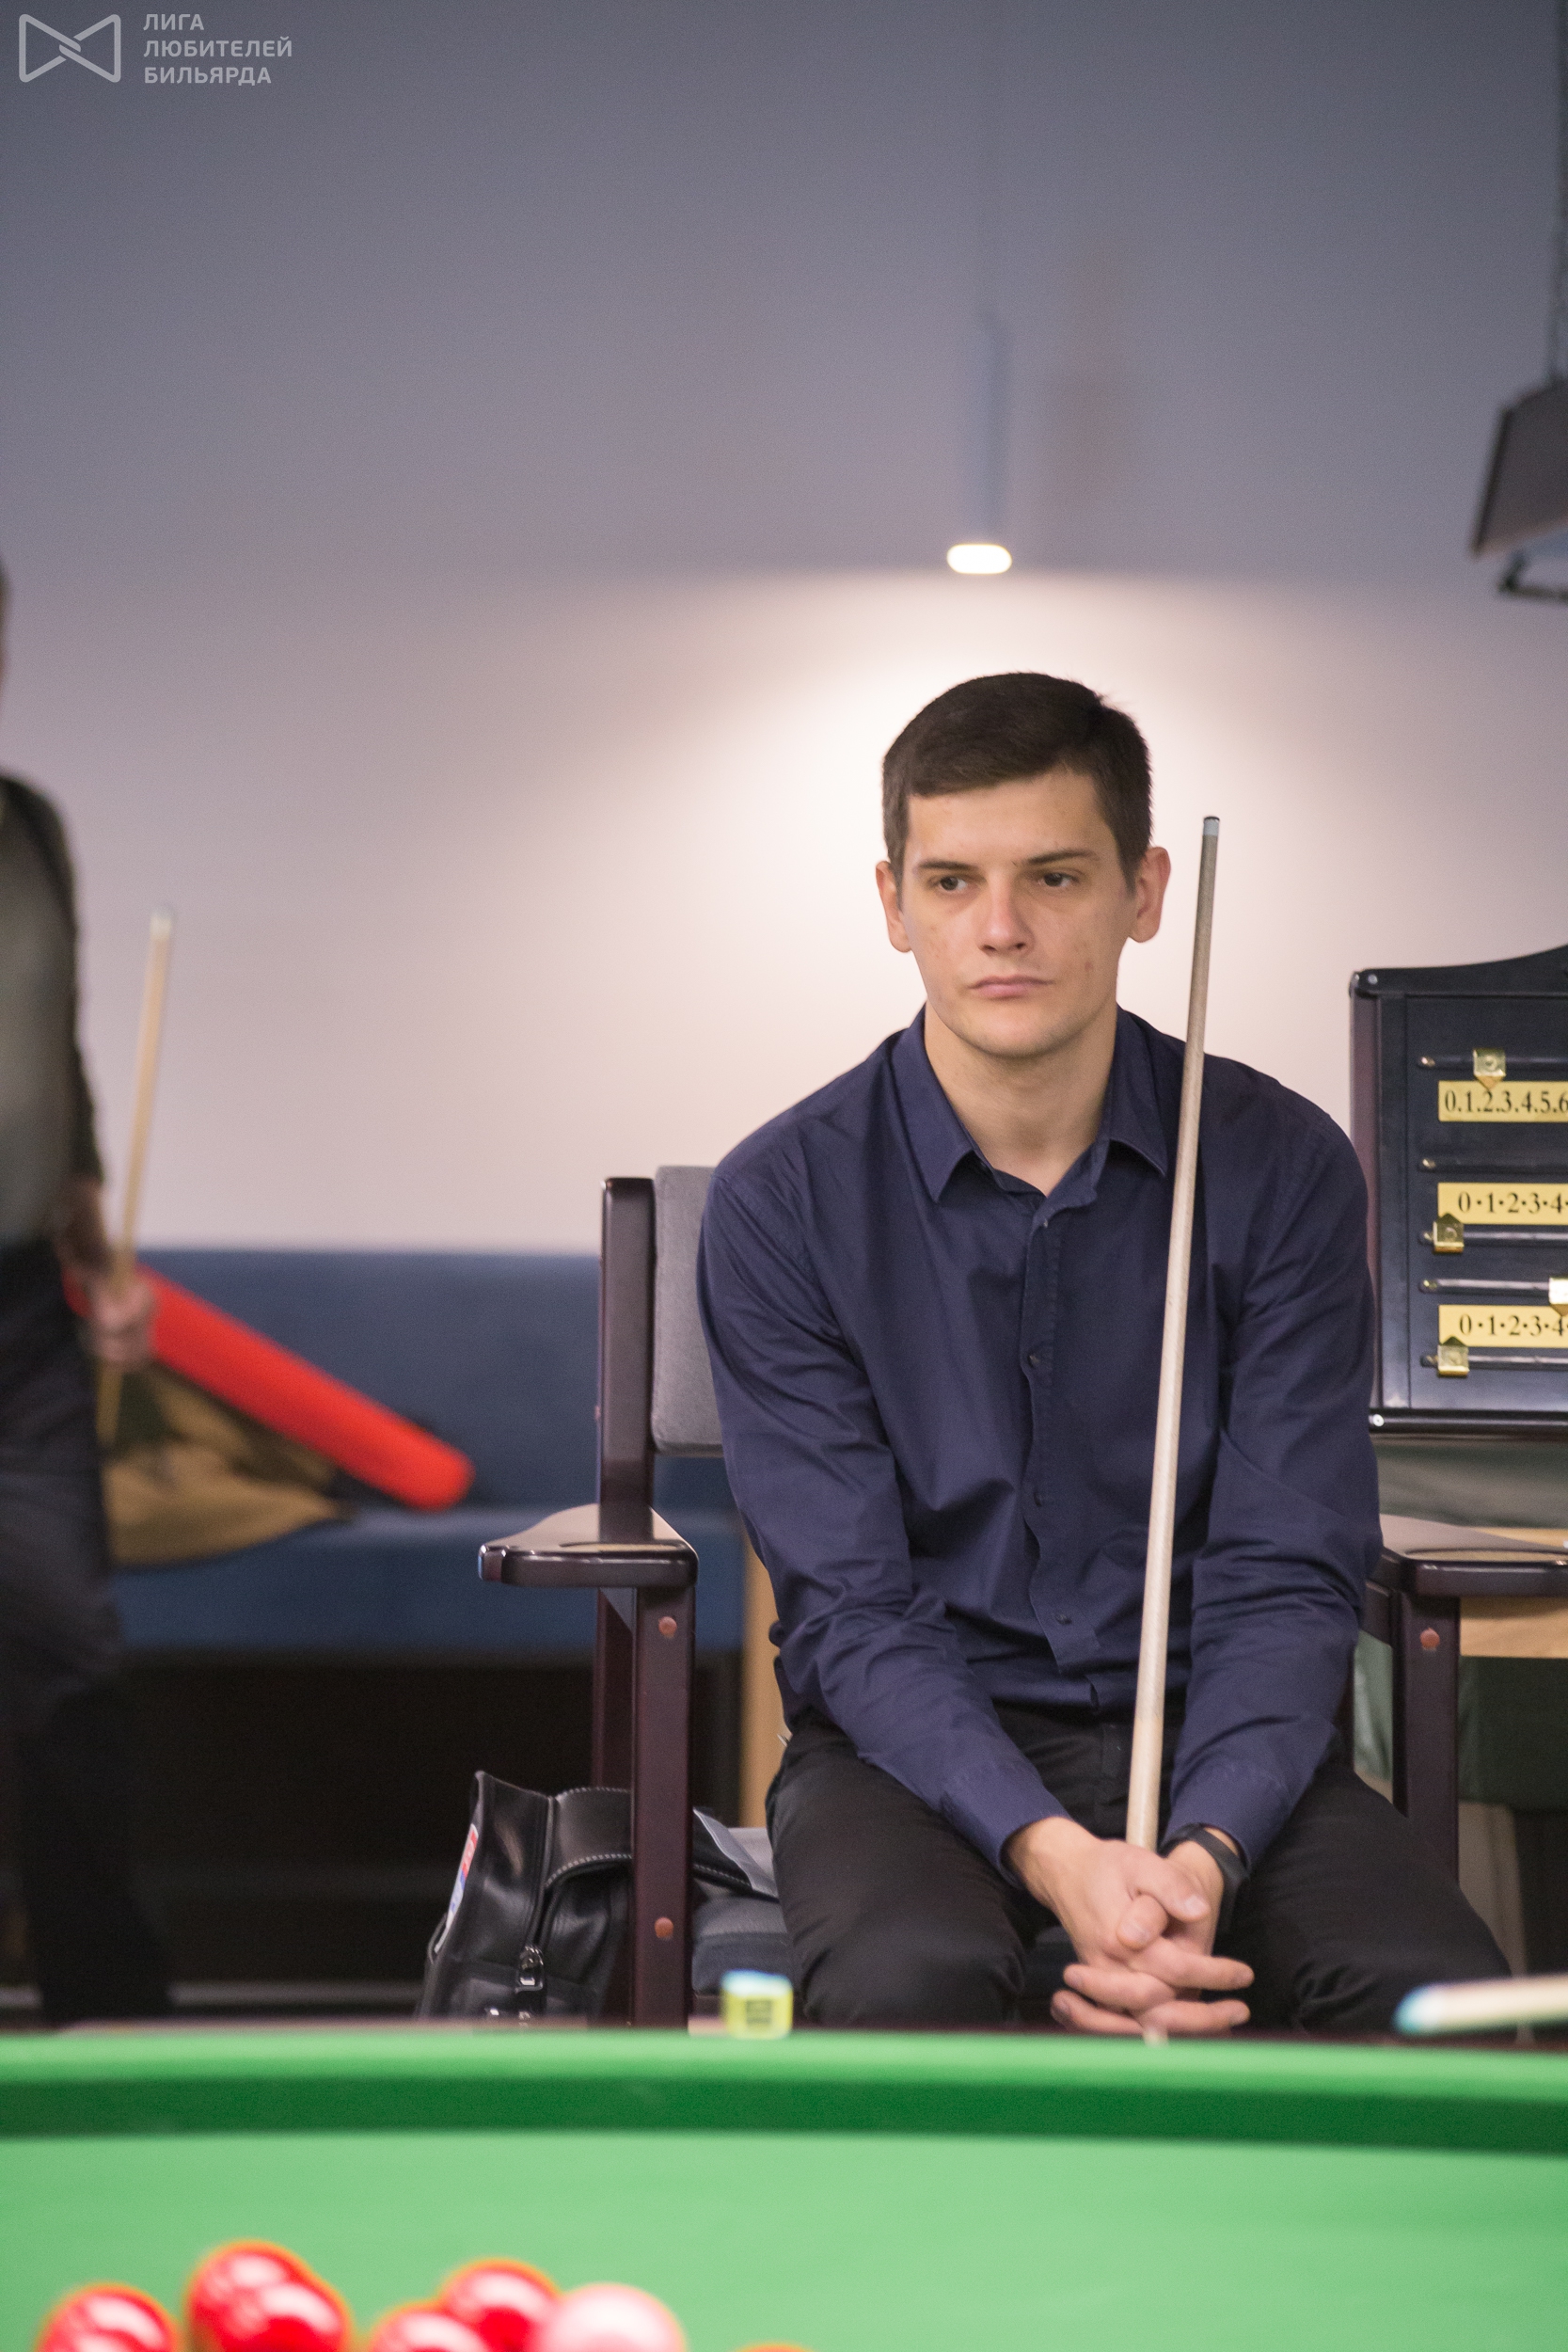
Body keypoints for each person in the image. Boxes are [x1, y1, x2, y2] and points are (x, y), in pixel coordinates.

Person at [698, 671, 1503, 2036]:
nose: (1000, 929)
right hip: (909, 1757)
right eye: (952, 882)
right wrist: (1060, 1858)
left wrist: (1201, 1861)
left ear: (1145, 891)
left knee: (1440, 2003)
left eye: (1056, 878)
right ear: (893, 903)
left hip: (1216, 1737)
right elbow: (852, 1612)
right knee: (909, 1983)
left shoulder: (1283, 1168)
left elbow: (1287, 1573)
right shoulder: (783, 1200)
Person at [0, 563, 170, 2023]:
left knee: (71, 1667)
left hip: (22, 1325)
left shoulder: (28, 827)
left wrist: (98, 1257)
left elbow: (53, 1068)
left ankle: (108, 2033)